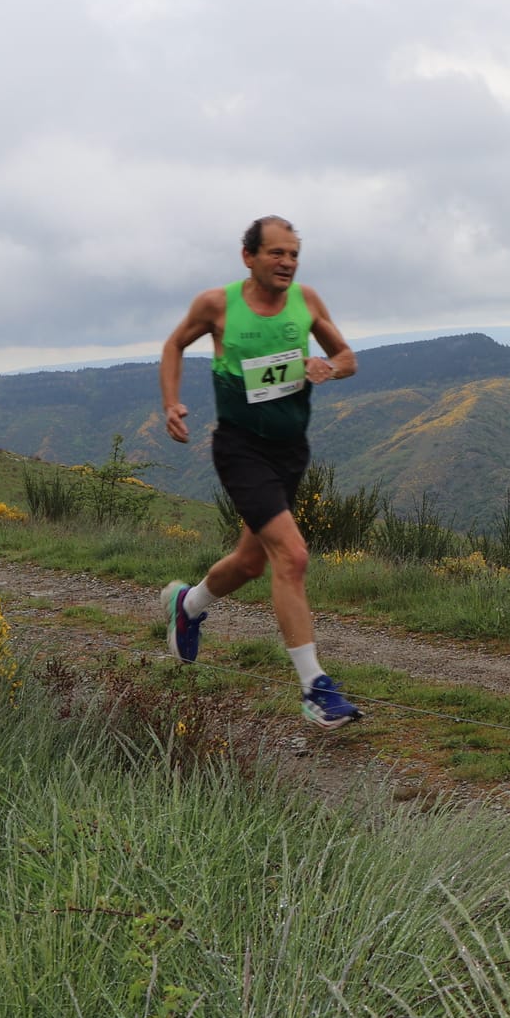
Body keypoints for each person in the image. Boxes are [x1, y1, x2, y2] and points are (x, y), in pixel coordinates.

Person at [158, 215, 363, 728]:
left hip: (290, 450)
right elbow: (174, 345)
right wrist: (172, 404)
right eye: (277, 253)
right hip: (239, 448)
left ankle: (188, 605)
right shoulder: (217, 305)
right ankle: (315, 687)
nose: (288, 263)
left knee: (251, 563)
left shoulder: (307, 301)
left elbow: (346, 356)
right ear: (248, 256)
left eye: (294, 254)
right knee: (291, 557)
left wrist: (328, 368)